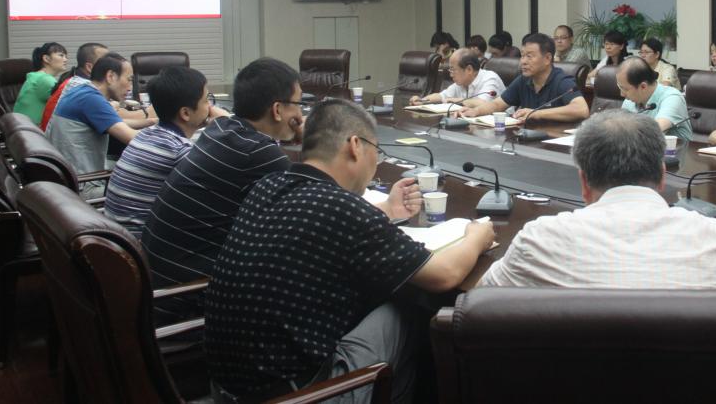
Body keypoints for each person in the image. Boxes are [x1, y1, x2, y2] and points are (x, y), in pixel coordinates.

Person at [206, 100, 495, 403]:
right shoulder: (343, 209)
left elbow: (322, 224)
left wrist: (388, 210)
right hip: (299, 395)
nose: (376, 162)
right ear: (356, 146)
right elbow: (445, 275)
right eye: (376, 150)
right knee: (411, 309)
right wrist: (477, 237)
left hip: (227, 390)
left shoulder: (268, 185)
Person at [478, 110, 716, 290]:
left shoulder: (538, 240)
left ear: (584, 182)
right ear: (662, 176)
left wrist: (472, 240)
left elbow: (480, 301)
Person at [143, 57, 305, 318]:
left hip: (155, 285)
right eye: (298, 104)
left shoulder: (221, 128)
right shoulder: (259, 153)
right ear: (277, 110)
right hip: (185, 302)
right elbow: (315, 209)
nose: (300, 115)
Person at [103, 67, 229, 237]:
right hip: (143, 243)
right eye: (207, 100)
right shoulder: (178, 150)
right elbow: (219, 188)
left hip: (119, 237)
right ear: (185, 113)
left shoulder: (147, 135)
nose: (211, 107)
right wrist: (226, 123)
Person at [46, 53, 156, 198]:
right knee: (155, 186)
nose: (130, 87)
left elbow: (114, 122)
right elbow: (134, 139)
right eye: (129, 80)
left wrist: (151, 122)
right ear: (110, 76)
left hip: (68, 179)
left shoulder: (83, 90)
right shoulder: (91, 99)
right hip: (83, 187)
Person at [461, 32, 589, 123]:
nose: (523, 61)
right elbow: (497, 104)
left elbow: (581, 109)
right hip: (528, 139)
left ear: (547, 58)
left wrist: (535, 113)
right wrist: (475, 111)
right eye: (522, 56)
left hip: (555, 143)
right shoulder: (524, 80)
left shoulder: (561, 81)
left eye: (529, 56)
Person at [617, 58, 691, 141]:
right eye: (620, 87)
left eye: (625, 89)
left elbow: (655, 131)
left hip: (678, 149)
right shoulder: (630, 101)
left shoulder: (672, 97)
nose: (622, 94)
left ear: (643, 86)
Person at [40, 42, 108, 130]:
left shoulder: (71, 78)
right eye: (106, 62)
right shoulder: (82, 88)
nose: (111, 64)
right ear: (89, 67)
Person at [409, 48, 505, 107]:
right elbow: (441, 96)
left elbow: (484, 104)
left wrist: (455, 101)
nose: (451, 75)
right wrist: (422, 101)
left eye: (453, 70)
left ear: (469, 69)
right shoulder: (461, 83)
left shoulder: (490, 78)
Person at [13, 42, 69, 124]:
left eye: (66, 57)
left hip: (22, 128)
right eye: (61, 55)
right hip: (33, 129)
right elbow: (69, 103)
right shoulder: (44, 80)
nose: (66, 59)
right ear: (46, 59)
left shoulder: (37, 77)